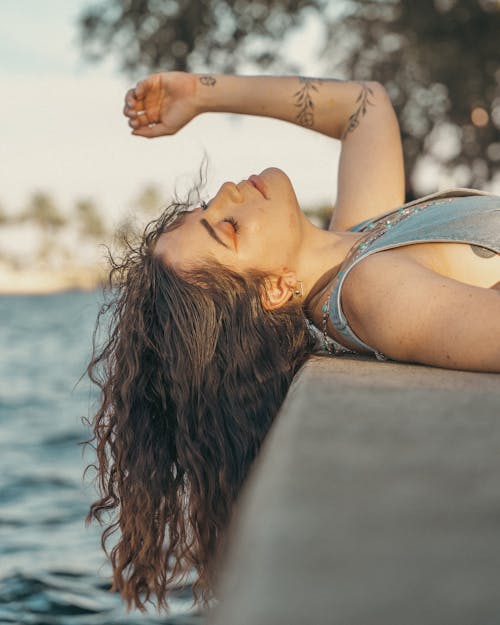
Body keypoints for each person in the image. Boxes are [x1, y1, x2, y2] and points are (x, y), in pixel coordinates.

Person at [86, 71, 500, 612]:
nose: (227, 194)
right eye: (228, 228)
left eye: (205, 207)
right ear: (277, 290)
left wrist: (204, 95)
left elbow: (363, 106)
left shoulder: (356, 239)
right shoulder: (370, 293)